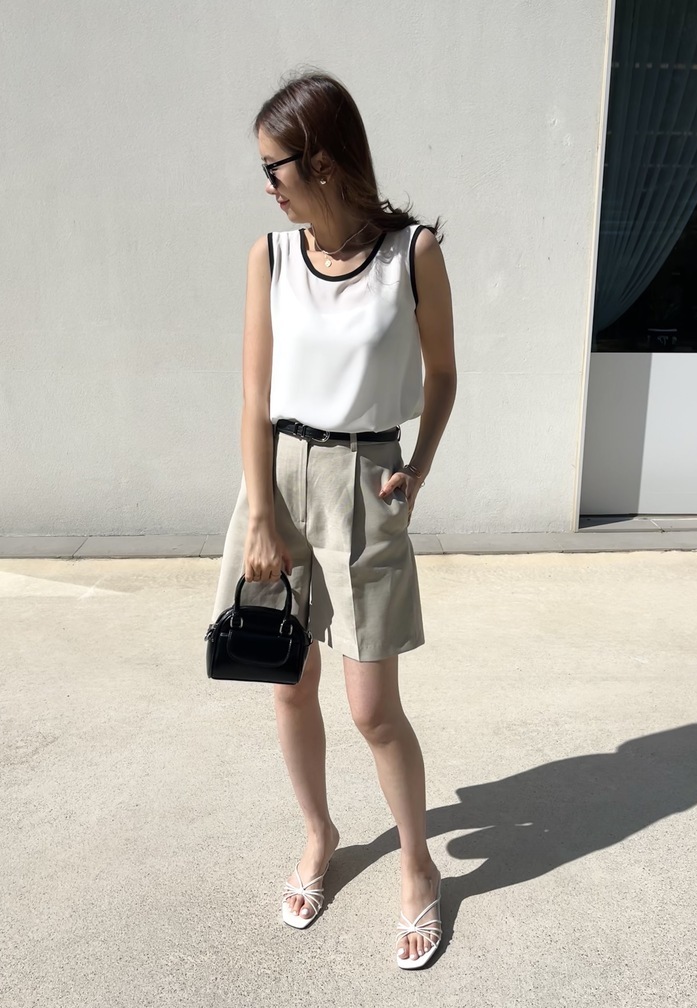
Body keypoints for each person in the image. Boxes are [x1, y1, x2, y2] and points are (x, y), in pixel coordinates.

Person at [211, 70, 456, 969]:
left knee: (372, 707)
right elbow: (252, 397)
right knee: (287, 680)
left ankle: (419, 866)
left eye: (274, 166)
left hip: (366, 476)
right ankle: (319, 835)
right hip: (278, 480)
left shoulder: (412, 252)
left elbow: (442, 373)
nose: (267, 184)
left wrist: (418, 466)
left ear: (321, 160)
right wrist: (261, 515)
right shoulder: (271, 258)